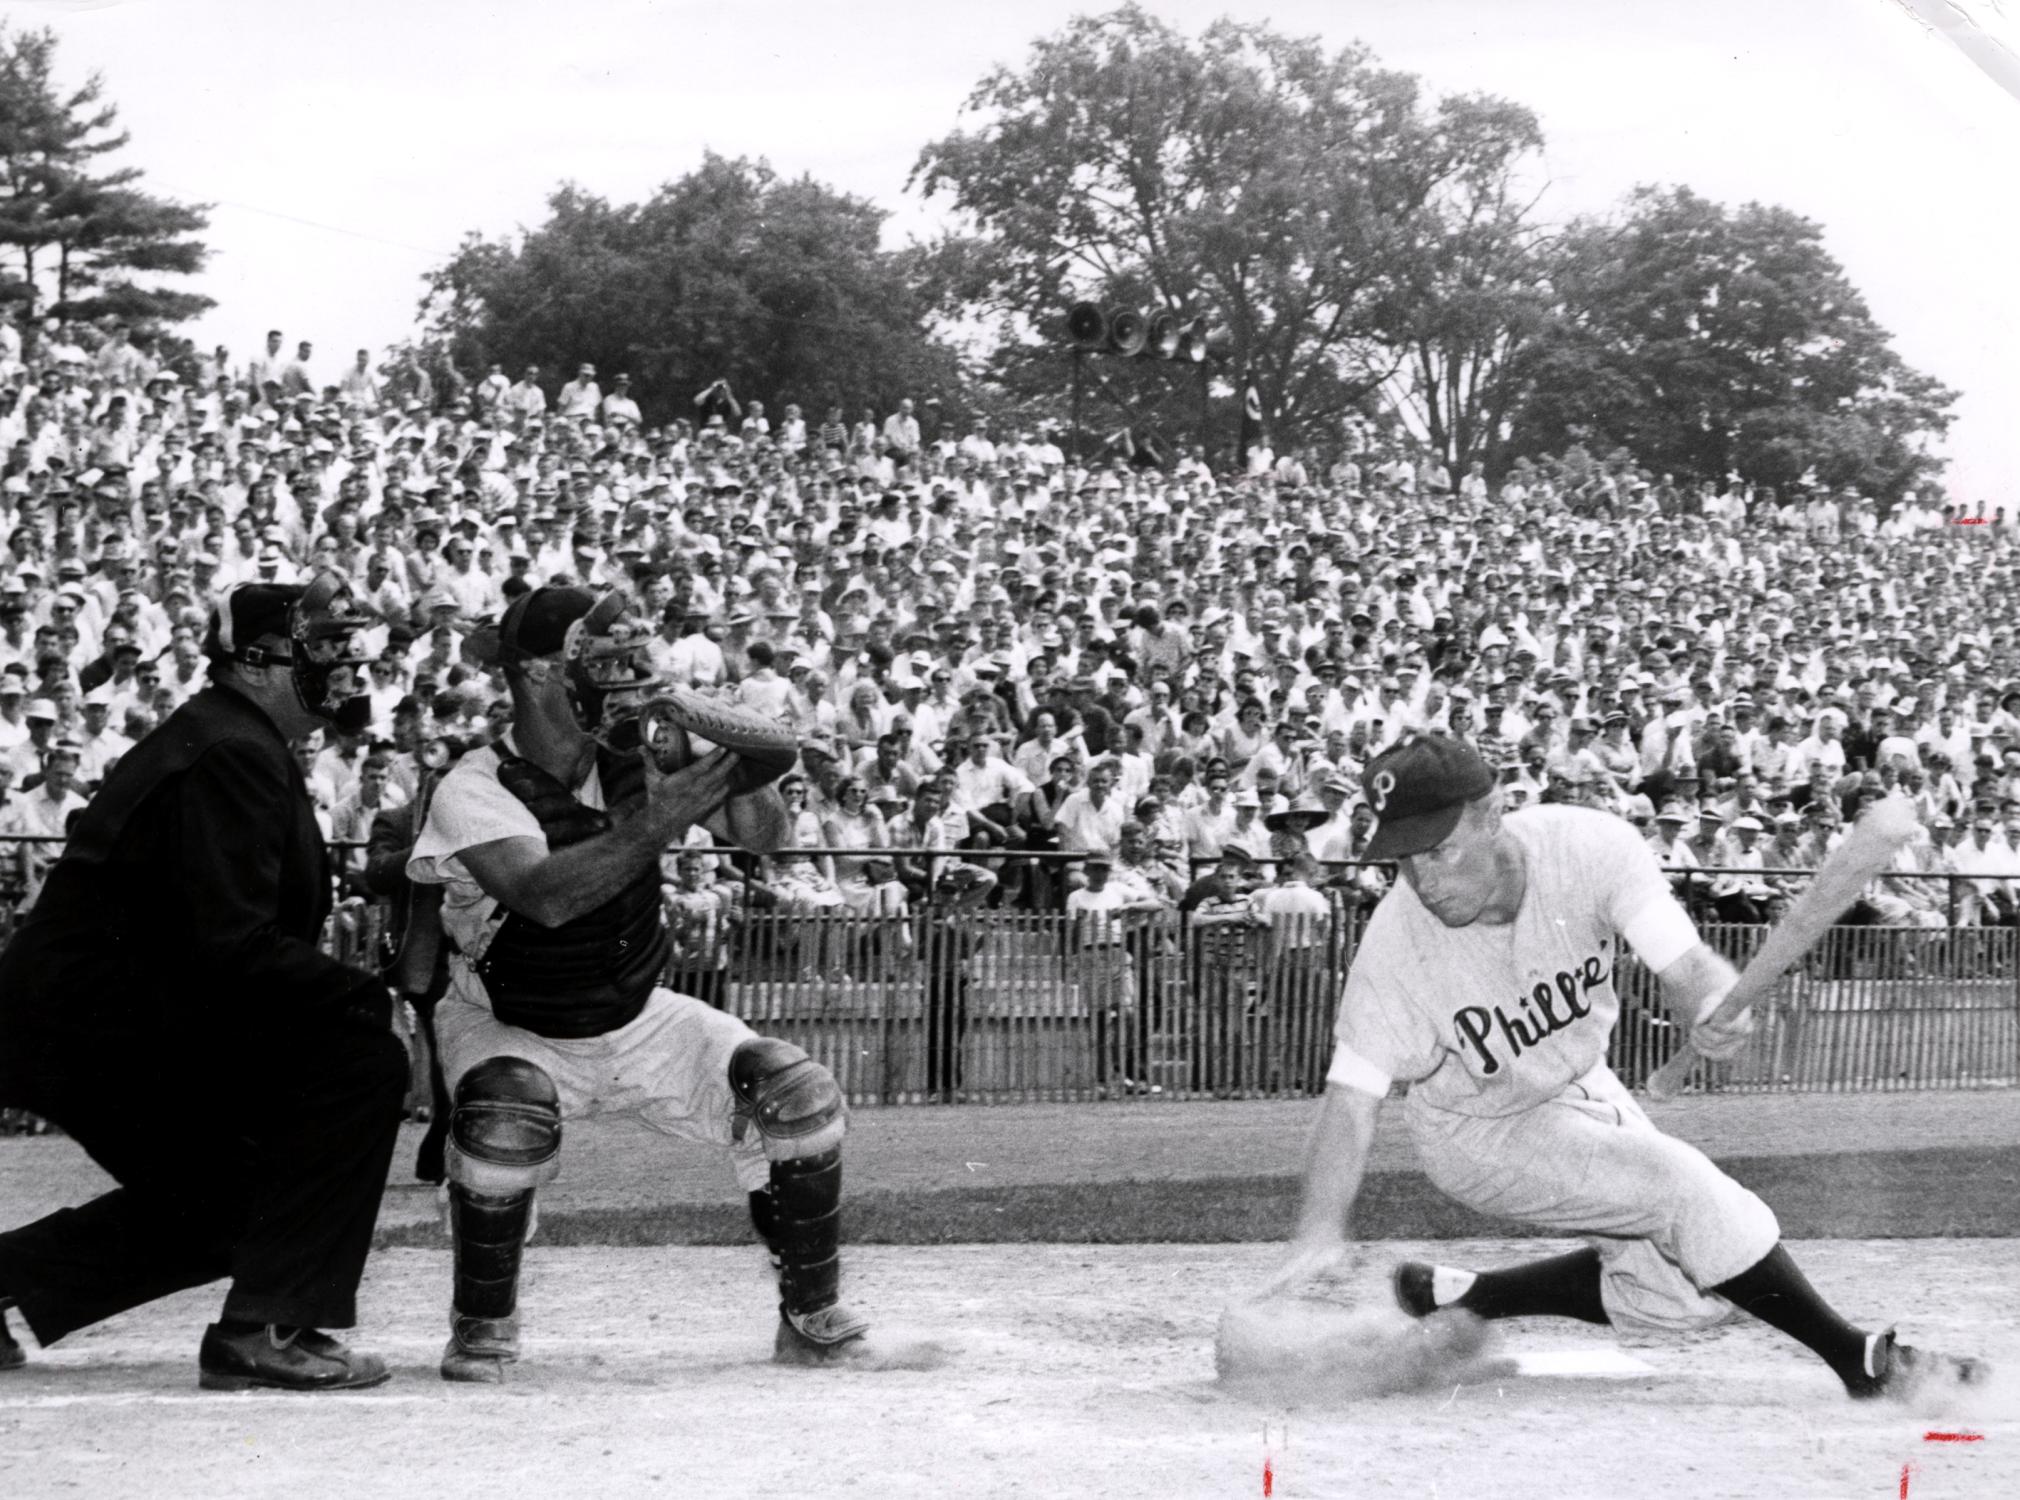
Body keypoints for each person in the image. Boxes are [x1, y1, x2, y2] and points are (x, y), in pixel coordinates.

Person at [1261, 734, 1989, 1401]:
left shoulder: (1587, 848)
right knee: (1683, 1191)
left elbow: (1684, 963)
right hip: (1479, 1129)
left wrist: (1706, 1003)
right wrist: (1319, 1229)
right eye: (1404, 857)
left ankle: (1468, 1295)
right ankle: (1861, 1361)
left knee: (1684, 1298)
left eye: (1439, 849)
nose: (1423, 878)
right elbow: (1351, 1102)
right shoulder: (1396, 951)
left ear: (1492, 813)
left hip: (1578, 1084)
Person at [405, 585, 878, 1380]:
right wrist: (664, 816)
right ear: (538, 674)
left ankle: (811, 1310)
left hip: (635, 1009)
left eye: (630, 660)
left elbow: (767, 839)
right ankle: (481, 1323)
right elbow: (549, 897)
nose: (626, 678)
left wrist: (726, 756)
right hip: (513, 1018)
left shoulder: (643, 757)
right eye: (603, 661)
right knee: (504, 1115)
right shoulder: (474, 785)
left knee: (798, 1094)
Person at [0, 576, 408, 1391]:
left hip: (105, 1013)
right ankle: (267, 1326)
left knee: (238, 1198)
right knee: (365, 1058)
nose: (345, 666)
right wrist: (362, 997)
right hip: (96, 1022)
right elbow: (226, 942)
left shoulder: (232, 737)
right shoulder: (232, 752)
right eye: (323, 647)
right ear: (254, 663)